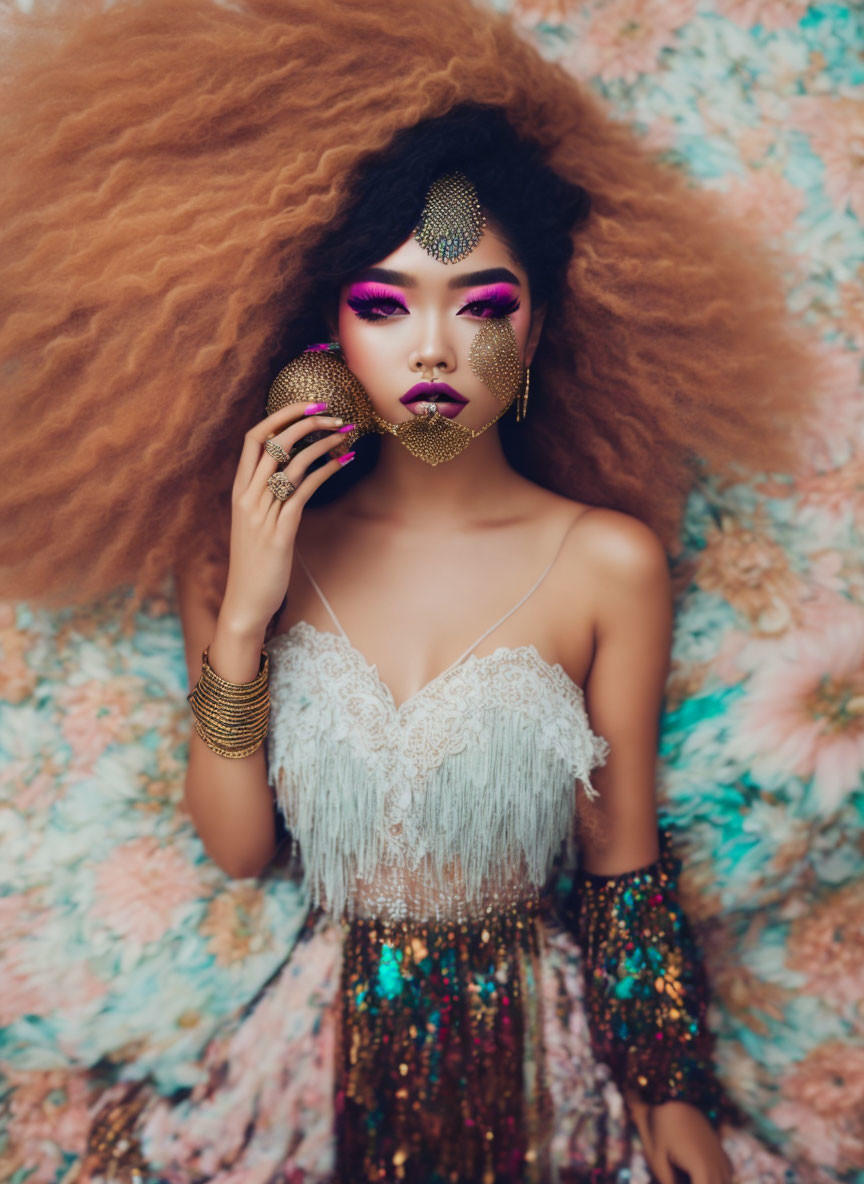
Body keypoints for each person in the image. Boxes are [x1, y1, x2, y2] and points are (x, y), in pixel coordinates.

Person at [0, 2, 821, 1181]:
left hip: (546, 1064)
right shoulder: (242, 562)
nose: (433, 349)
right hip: (312, 1061)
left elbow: (622, 853)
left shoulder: (606, 562)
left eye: (481, 306)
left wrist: (668, 1085)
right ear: (330, 329)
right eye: (385, 306)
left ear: (535, 332)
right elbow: (240, 849)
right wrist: (243, 615)